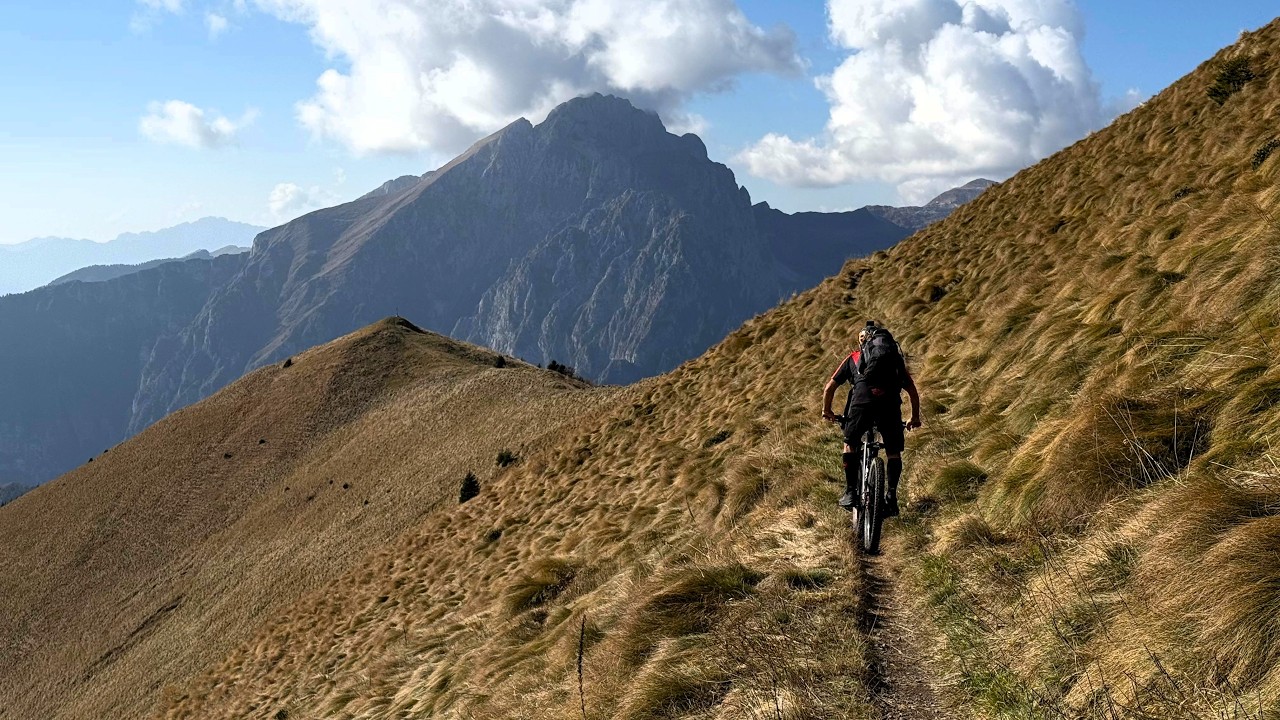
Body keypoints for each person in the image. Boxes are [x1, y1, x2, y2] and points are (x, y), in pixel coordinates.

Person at [821, 321, 921, 517]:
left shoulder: (854, 357)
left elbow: (829, 388)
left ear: (863, 342)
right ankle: (891, 496)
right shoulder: (894, 359)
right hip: (889, 405)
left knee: (850, 444)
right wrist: (914, 417)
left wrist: (827, 411)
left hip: (862, 403)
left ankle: (851, 492)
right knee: (893, 451)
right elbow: (912, 391)